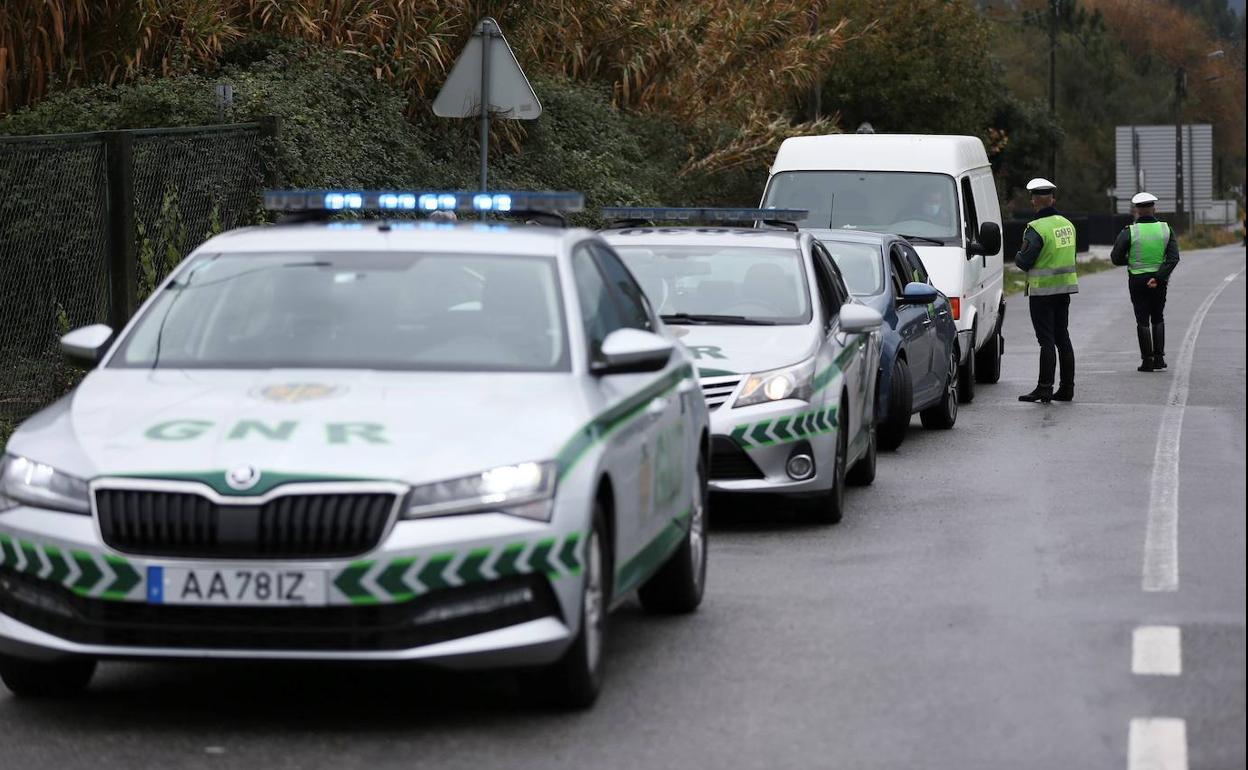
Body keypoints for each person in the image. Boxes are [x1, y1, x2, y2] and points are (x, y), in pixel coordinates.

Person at [1015, 178, 1078, 403]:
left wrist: (1018, 255)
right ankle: (1067, 388)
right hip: (1064, 289)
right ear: (1053, 199)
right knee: (1063, 337)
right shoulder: (1068, 225)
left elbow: (1024, 261)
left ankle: (1044, 388)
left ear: (1033, 201)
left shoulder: (1036, 228)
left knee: (1046, 341)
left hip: (1042, 293)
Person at [1110, 192, 1179, 372]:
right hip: (1159, 280)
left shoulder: (1130, 231)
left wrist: (1131, 261)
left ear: (1137, 211)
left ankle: (1147, 361)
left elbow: (1115, 257)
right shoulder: (1166, 229)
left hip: (1138, 280)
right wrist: (1158, 277)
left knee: (1142, 319)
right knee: (1158, 316)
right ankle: (1159, 359)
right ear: (1154, 209)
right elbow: (1173, 258)